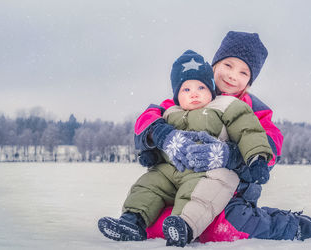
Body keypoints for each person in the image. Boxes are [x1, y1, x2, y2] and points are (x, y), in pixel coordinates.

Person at [98, 50, 274, 247]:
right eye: (186, 90)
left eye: (201, 87)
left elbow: (250, 132)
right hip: (170, 171)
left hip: (208, 174)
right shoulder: (170, 110)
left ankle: (184, 225)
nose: (195, 94)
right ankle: (131, 221)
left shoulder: (228, 106)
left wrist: (255, 158)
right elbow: (145, 123)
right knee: (148, 184)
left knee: (203, 196)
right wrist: (154, 148)